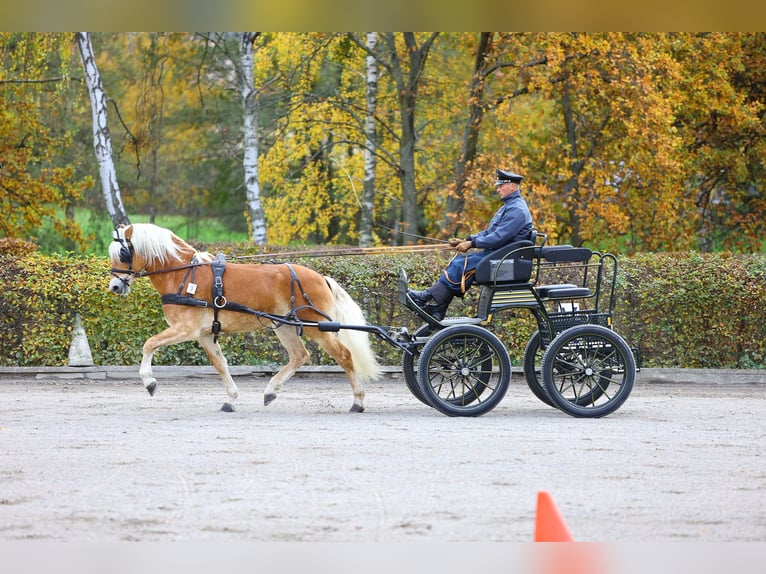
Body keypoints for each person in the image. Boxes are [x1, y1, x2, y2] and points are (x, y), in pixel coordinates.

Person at [408, 168, 534, 320]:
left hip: (506, 261)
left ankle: (427, 297)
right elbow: (490, 232)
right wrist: (467, 240)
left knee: (461, 263)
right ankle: (439, 308)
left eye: (501, 185)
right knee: (460, 263)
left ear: (512, 187)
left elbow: (498, 237)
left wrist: (472, 243)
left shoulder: (517, 209)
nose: (497, 188)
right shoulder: (510, 206)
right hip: (500, 255)